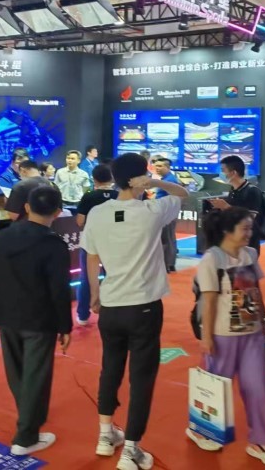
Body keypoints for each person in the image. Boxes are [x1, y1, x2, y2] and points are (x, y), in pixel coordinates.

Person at [81, 153, 188, 470]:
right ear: (140, 177)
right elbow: (183, 192)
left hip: (111, 305)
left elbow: (91, 257)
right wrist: (154, 182)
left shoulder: (98, 213)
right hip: (143, 307)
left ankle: (105, 435)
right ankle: (131, 450)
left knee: (110, 368)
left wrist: (95, 294)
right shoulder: (152, 211)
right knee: (142, 378)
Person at [0, 186, 72, 456]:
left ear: (27, 207)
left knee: (17, 371)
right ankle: (26, 436)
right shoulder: (54, 245)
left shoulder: (4, 236)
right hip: (38, 318)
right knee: (36, 375)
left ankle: (28, 418)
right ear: (58, 212)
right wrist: (65, 326)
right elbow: (59, 289)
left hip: (6, 314)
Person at [188, 206, 265, 466]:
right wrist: (207, 337)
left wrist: (264, 319)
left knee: (257, 388)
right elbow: (208, 301)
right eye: (245, 228)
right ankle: (201, 430)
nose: (249, 233)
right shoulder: (212, 259)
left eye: (250, 228)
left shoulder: (250, 254)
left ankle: (260, 441)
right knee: (215, 389)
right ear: (227, 231)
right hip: (222, 335)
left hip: (252, 334)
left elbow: (256, 290)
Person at [75, 164, 117, 326]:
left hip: (91, 241)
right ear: (112, 178)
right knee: (112, 275)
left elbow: (80, 221)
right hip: (114, 241)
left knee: (86, 277)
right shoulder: (119, 195)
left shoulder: (89, 196)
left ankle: (83, 315)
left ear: (94, 179)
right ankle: (110, 310)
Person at [212, 155, 264, 254]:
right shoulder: (233, 190)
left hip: (247, 242)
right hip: (232, 240)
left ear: (233, 173)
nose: (221, 174)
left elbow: (250, 217)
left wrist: (226, 206)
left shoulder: (252, 191)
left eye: (223, 170)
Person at [152, 157, 181, 273]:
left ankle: (167, 265)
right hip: (165, 212)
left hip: (166, 213)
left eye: (160, 166)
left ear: (167, 167)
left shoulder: (169, 181)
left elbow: (173, 198)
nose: (157, 168)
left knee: (166, 239)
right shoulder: (165, 179)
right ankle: (170, 264)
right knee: (169, 238)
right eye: (156, 166)